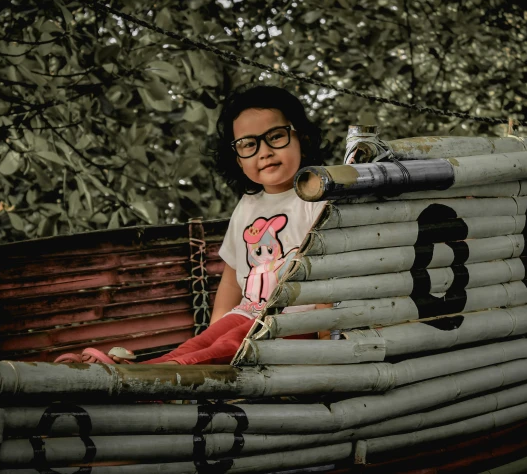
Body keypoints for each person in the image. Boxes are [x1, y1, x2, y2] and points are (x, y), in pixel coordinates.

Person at [55, 85, 328, 365]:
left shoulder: (317, 200)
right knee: (202, 343)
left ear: (301, 138)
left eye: (275, 137)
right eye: (249, 144)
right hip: (249, 312)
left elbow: (332, 275)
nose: (264, 152)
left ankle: (145, 377)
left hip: (294, 322)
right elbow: (232, 277)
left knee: (232, 343)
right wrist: (215, 328)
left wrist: (327, 341)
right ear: (238, 159)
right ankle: (140, 373)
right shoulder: (249, 205)